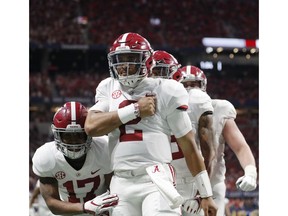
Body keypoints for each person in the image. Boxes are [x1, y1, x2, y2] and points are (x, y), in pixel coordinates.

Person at [84, 32, 217, 216]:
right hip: (120, 181)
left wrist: (206, 194)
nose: (125, 66)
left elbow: (189, 147)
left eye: (131, 58)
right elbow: (91, 126)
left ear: (147, 61)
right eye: (120, 59)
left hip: (156, 179)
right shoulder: (108, 87)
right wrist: (135, 110)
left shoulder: (166, 89)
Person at [171, 66, 258, 216]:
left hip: (211, 185)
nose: (191, 89)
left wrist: (250, 171)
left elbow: (240, 147)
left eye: (195, 84)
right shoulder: (169, 110)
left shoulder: (219, 108)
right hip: (177, 185)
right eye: (185, 85)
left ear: (203, 85)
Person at [146, 54, 216, 216]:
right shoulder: (139, 98)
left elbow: (208, 152)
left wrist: (202, 193)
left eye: (163, 72)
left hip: (186, 178)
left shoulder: (195, 99)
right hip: (155, 177)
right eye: (154, 73)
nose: (159, 78)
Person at [32, 101, 119, 216]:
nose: (74, 141)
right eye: (67, 135)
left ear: (88, 134)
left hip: (102, 212)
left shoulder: (104, 148)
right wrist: (85, 207)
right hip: (68, 213)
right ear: (57, 135)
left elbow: (115, 190)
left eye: (79, 135)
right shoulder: (46, 156)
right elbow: (52, 203)